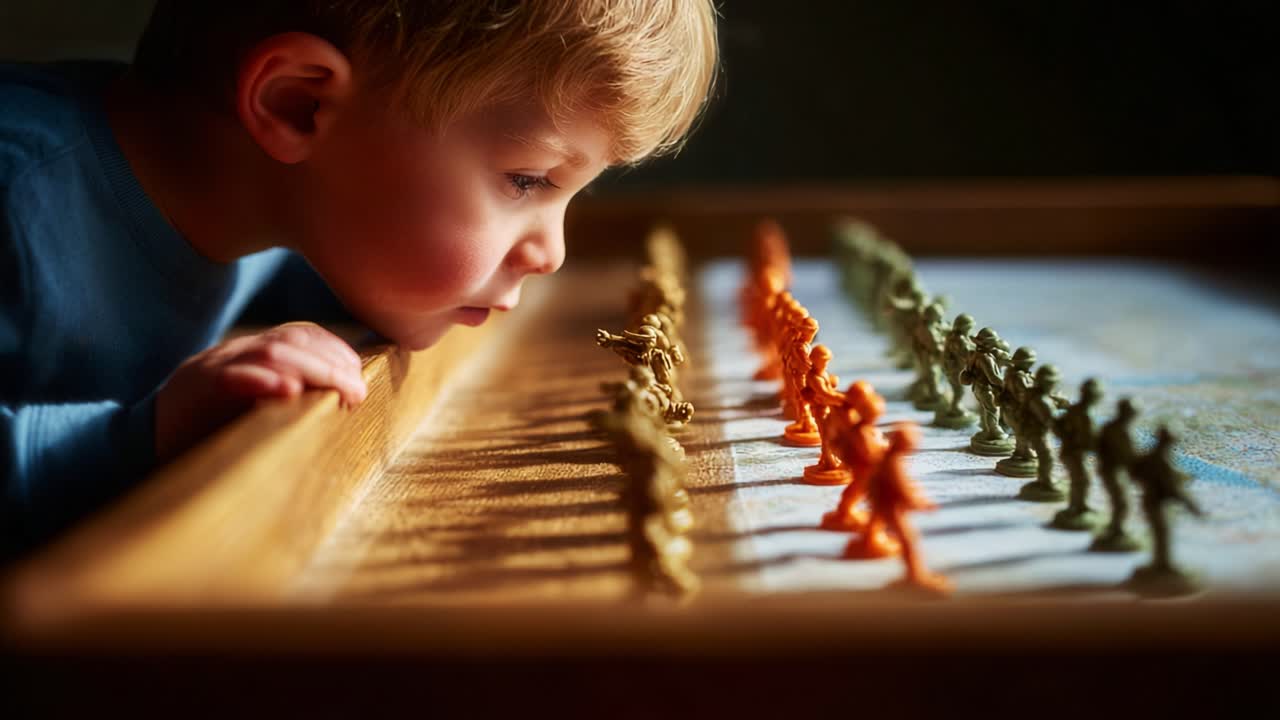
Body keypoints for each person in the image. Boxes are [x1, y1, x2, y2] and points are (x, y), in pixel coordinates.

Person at [1, 1, 719, 553]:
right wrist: (140, 437)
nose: (551, 253)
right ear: (298, 105)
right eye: (526, 179)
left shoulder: (261, 201)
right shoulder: (17, 203)